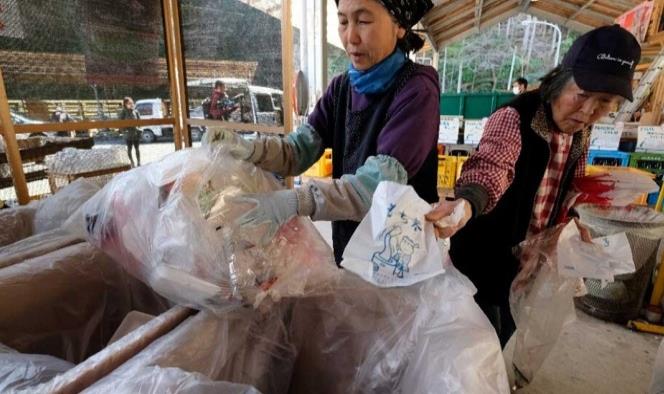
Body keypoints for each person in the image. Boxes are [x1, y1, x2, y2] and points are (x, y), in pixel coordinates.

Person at [426, 25, 641, 346]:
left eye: (604, 102)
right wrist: (468, 200)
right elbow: (493, 165)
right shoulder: (516, 116)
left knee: (505, 336)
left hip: (528, 266)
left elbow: (571, 188)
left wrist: (574, 222)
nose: (588, 111)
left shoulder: (581, 133)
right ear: (559, 81)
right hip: (485, 262)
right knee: (473, 343)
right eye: (581, 96)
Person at [216, 0, 439, 264]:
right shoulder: (342, 87)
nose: (350, 37)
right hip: (350, 247)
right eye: (343, 22)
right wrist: (251, 148)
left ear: (400, 26)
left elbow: (374, 189)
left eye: (364, 21)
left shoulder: (416, 90)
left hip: (398, 255)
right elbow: (297, 151)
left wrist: (295, 201)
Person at [119, 97, 141, 167]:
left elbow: (140, 122)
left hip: (135, 133)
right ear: (125, 104)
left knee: (137, 148)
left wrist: (140, 129)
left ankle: (139, 162)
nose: (131, 104)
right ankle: (132, 161)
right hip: (128, 134)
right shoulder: (123, 112)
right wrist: (124, 131)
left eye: (132, 103)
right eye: (129, 103)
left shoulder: (136, 111)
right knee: (129, 149)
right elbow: (119, 123)